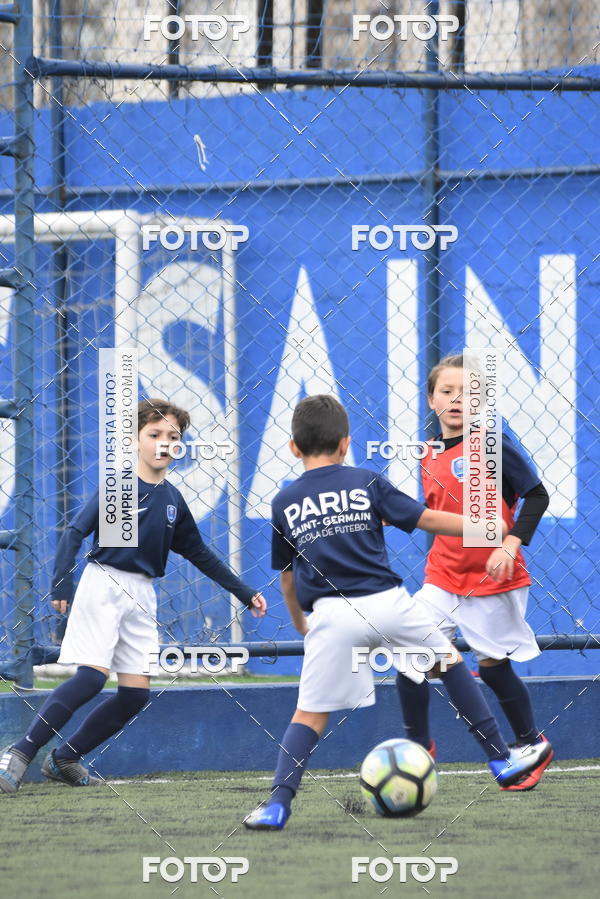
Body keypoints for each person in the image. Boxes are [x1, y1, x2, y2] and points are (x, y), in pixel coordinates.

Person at [244, 394, 550, 830]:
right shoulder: (367, 481)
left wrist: (301, 623)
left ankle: (277, 803)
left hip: (331, 616)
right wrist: (484, 526)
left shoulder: (284, 502)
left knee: (309, 714)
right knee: (446, 659)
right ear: (346, 443)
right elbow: (427, 518)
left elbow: (289, 579)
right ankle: (500, 759)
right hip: (387, 603)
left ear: (293, 448)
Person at [0, 398, 266, 794]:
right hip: (103, 584)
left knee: (134, 695)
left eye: (172, 437)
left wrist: (243, 592)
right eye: (154, 434)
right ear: (135, 440)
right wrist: (61, 583)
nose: (163, 442)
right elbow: (75, 531)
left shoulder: (174, 501)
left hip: (143, 596)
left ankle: (65, 758)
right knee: (91, 678)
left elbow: (199, 552)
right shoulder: (122, 486)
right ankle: (19, 753)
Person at [396, 354, 552, 792]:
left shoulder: (492, 444)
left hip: (491, 580)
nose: (456, 400)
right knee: (409, 657)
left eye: (467, 393)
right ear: (431, 400)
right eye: (447, 392)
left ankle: (531, 743)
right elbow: (434, 514)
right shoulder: (427, 454)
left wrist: (509, 543)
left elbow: (536, 497)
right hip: (442, 578)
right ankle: (418, 749)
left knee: (494, 667)